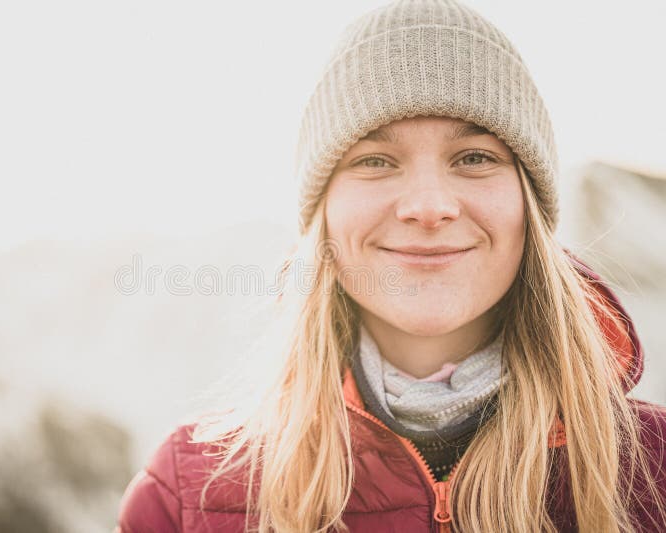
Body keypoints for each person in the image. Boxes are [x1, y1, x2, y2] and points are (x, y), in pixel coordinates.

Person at [116, 0, 666, 531]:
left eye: (474, 158)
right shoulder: (189, 498)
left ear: (529, 205)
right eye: (374, 161)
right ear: (323, 215)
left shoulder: (652, 469)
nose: (428, 206)